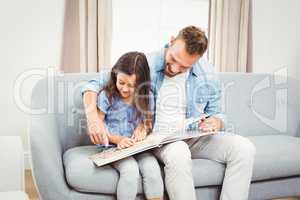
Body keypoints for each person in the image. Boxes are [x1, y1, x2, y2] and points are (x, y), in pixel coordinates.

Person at [82, 26, 256, 200]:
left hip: (194, 135)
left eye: (184, 67)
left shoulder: (208, 74)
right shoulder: (145, 64)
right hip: (160, 140)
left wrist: (216, 121)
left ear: (197, 60)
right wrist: (93, 120)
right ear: (171, 41)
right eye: (173, 59)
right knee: (179, 151)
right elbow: (94, 83)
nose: (174, 68)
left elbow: (217, 113)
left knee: (244, 149)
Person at [86, 51, 164, 200]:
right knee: (130, 171)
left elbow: (147, 122)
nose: (125, 89)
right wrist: (118, 140)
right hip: (113, 147)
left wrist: (143, 128)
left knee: (153, 169)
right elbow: (99, 127)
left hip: (137, 147)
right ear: (115, 76)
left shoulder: (147, 97)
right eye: (121, 82)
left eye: (131, 85)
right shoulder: (107, 96)